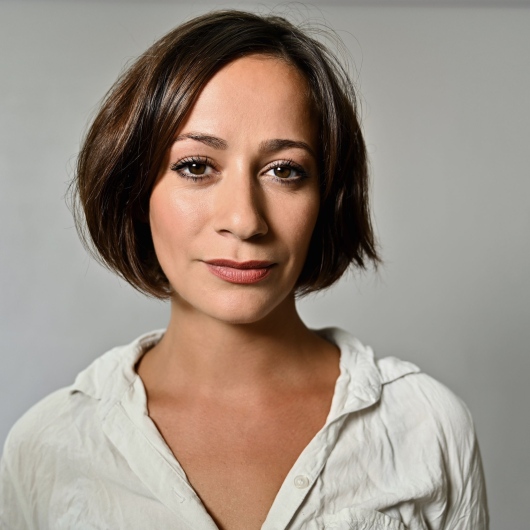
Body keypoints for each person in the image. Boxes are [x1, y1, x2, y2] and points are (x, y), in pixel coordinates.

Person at [0, 10, 488, 530]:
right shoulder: (47, 447)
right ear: (136, 189)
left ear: (326, 197)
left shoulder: (425, 426)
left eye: (285, 171)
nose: (245, 220)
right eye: (196, 167)